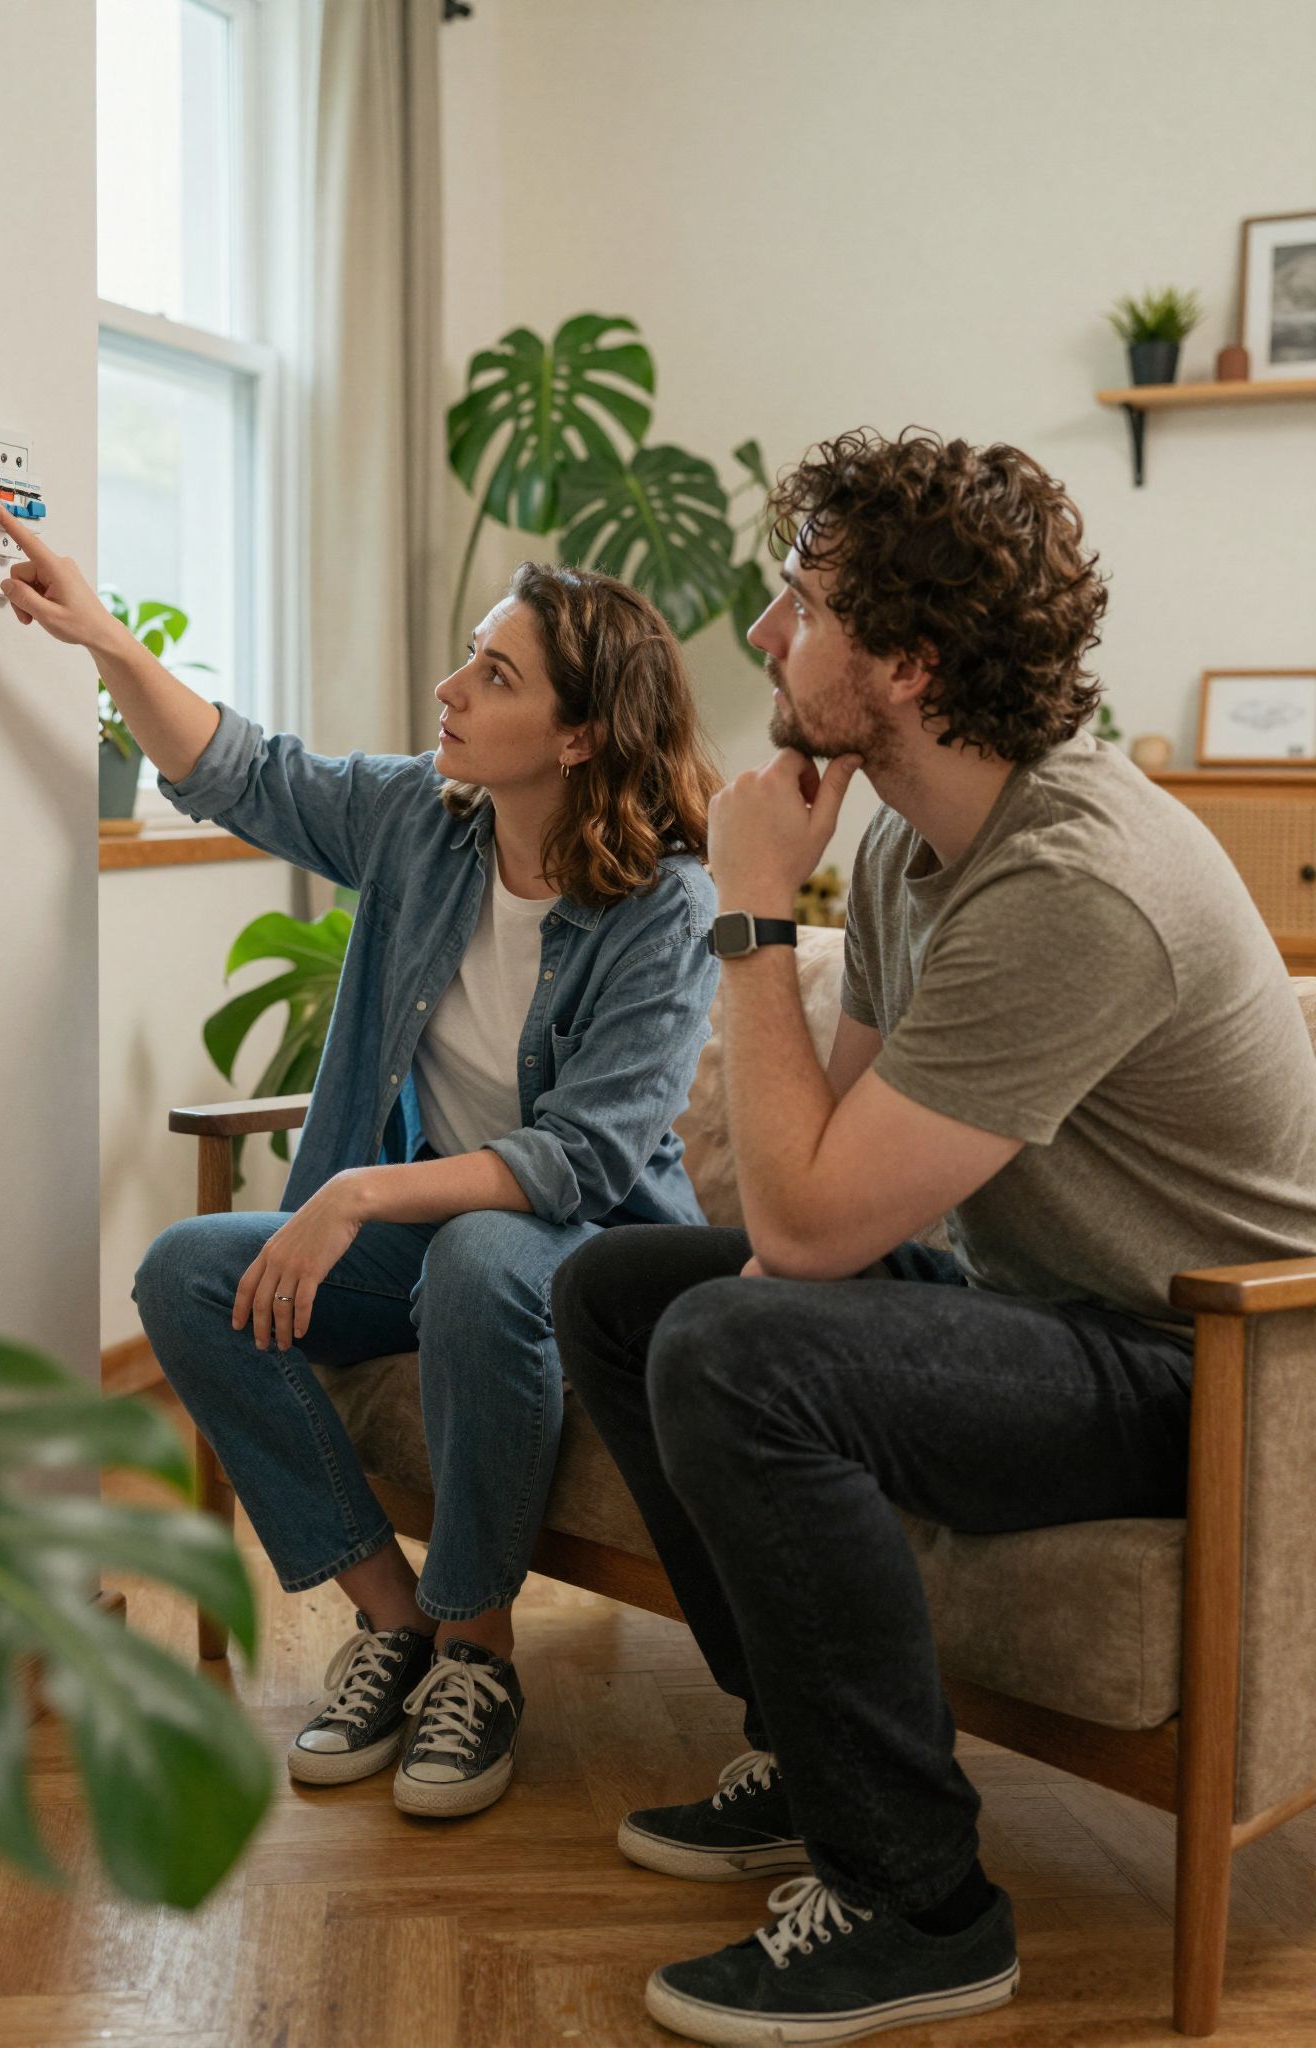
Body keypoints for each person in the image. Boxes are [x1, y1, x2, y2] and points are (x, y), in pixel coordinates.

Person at [551, 428, 1316, 2046]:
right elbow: (815, 1167)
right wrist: (787, 917)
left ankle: (921, 1906)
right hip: (1048, 1310)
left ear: (907, 662)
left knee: (737, 1347)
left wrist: (753, 912)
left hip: (1222, 1365)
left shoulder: (1077, 881)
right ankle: (806, 1755)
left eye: (803, 602)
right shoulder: (911, 847)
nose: (766, 631)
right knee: (622, 1292)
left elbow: (803, 1228)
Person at [0, 496, 721, 1818]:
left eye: (495, 674)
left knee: (485, 1255)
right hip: (439, 1244)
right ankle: (396, 1622)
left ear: (578, 735)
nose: (451, 688)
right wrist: (102, 635)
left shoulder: (664, 904)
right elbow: (246, 773)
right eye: (469, 657)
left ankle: (480, 1652)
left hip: (590, 1263)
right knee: (187, 1275)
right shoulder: (422, 822)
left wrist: (357, 1193)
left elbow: (582, 1160)